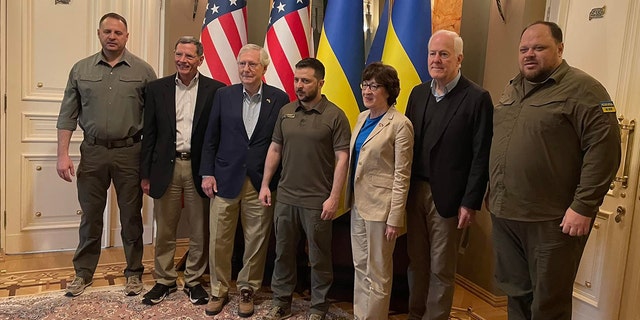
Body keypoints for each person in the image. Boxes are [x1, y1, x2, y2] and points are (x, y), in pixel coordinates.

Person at [488, 21, 621, 320]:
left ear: (560, 49)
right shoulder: (513, 87)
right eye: (524, 49)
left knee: (549, 305)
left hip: (552, 221)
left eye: (539, 48)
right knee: (516, 295)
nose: (529, 55)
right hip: (506, 214)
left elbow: (605, 149)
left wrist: (584, 205)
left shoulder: (583, 89)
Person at [56, 12, 157, 297]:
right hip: (93, 152)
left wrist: (150, 163)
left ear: (127, 37)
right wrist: (62, 155)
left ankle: (134, 274)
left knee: (131, 217)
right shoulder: (80, 69)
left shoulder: (144, 71)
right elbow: (67, 116)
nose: (112, 37)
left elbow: (154, 122)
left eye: (118, 33)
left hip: (130, 153)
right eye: (107, 32)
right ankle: (83, 273)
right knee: (90, 216)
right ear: (99, 34)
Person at [404, 29, 493, 320]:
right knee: (416, 263)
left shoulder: (477, 98)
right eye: (432, 53)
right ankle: (416, 315)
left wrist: (470, 201)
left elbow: (482, 155)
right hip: (414, 191)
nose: (436, 59)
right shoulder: (418, 94)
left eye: (444, 54)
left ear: (459, 58)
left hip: (450, 198)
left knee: (441, 268)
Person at [200, 44, 289, 318]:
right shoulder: (223, 96)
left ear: (265, 68)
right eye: (242, 64)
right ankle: (219, 289)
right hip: (224, 178)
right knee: (219, 239)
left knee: (257, 239)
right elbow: (210, 137)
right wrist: (207, 172)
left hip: (260, 182)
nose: (246, 69)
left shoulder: (280, 98)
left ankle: (248, 289)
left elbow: (281, 143)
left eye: (252, 64)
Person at [259, 58, 351, 320]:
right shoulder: (286, 112)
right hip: (286, 197)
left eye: (306, 81)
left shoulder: (335, 116)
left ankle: (318, 307)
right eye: (297, 80)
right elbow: (275, 148)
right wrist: (266, 184)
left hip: (317, 200)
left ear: (321, 82)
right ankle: (281, 301)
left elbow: (342, 158)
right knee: (283, 253)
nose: (299, 85)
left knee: (320, 257)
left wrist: (334, 197)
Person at [139, 36, 225, 306]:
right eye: (178, 55)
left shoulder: (216, 90)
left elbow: (218, 136)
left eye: (189, 56)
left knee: (199, 229)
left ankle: (193, 281)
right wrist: (145, 174)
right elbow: (149, 134)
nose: (182, 61)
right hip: (166, 167)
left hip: (200, 168)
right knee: (165, 228)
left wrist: (214, 171)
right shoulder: (156, 89)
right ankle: (164, 280)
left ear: (200, 59)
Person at [347, 62, 414, 319]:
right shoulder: (362, 117)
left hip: (381, 211)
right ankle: (360, 315)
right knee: (360, 266)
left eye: (375, 86)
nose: (367, 90)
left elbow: (402, 175)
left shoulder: (400, 124)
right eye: (365, 84)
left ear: (389, 90)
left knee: (378, 271)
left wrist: (395, 218)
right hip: (358, 205)